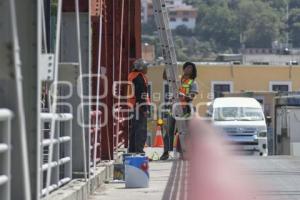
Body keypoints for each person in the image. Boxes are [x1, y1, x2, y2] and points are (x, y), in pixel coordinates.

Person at [160, 62, 198, 160]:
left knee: (184, 132)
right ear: (184, 68)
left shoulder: (192, 83)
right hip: (173, 108)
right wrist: (167, 66)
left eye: (191, 68)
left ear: (193, 71)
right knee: (168, 131)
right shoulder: (177, 80)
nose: (188, 69)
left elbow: (191, 97)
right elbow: (165, 77)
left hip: (185, 110)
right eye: (187, 67)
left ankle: (183, 153)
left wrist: (184, 96)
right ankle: (166, 152)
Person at [128, 59, 150, 153]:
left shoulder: (132, 75)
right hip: (139, 106)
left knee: (135, 129)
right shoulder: (139, 77)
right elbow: (141, 93)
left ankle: (132, 150)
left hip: (132, 105)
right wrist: (144, 108)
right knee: (141, 129)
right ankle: (139, 151)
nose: (147, 69)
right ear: (142, 68)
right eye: (146, 67)